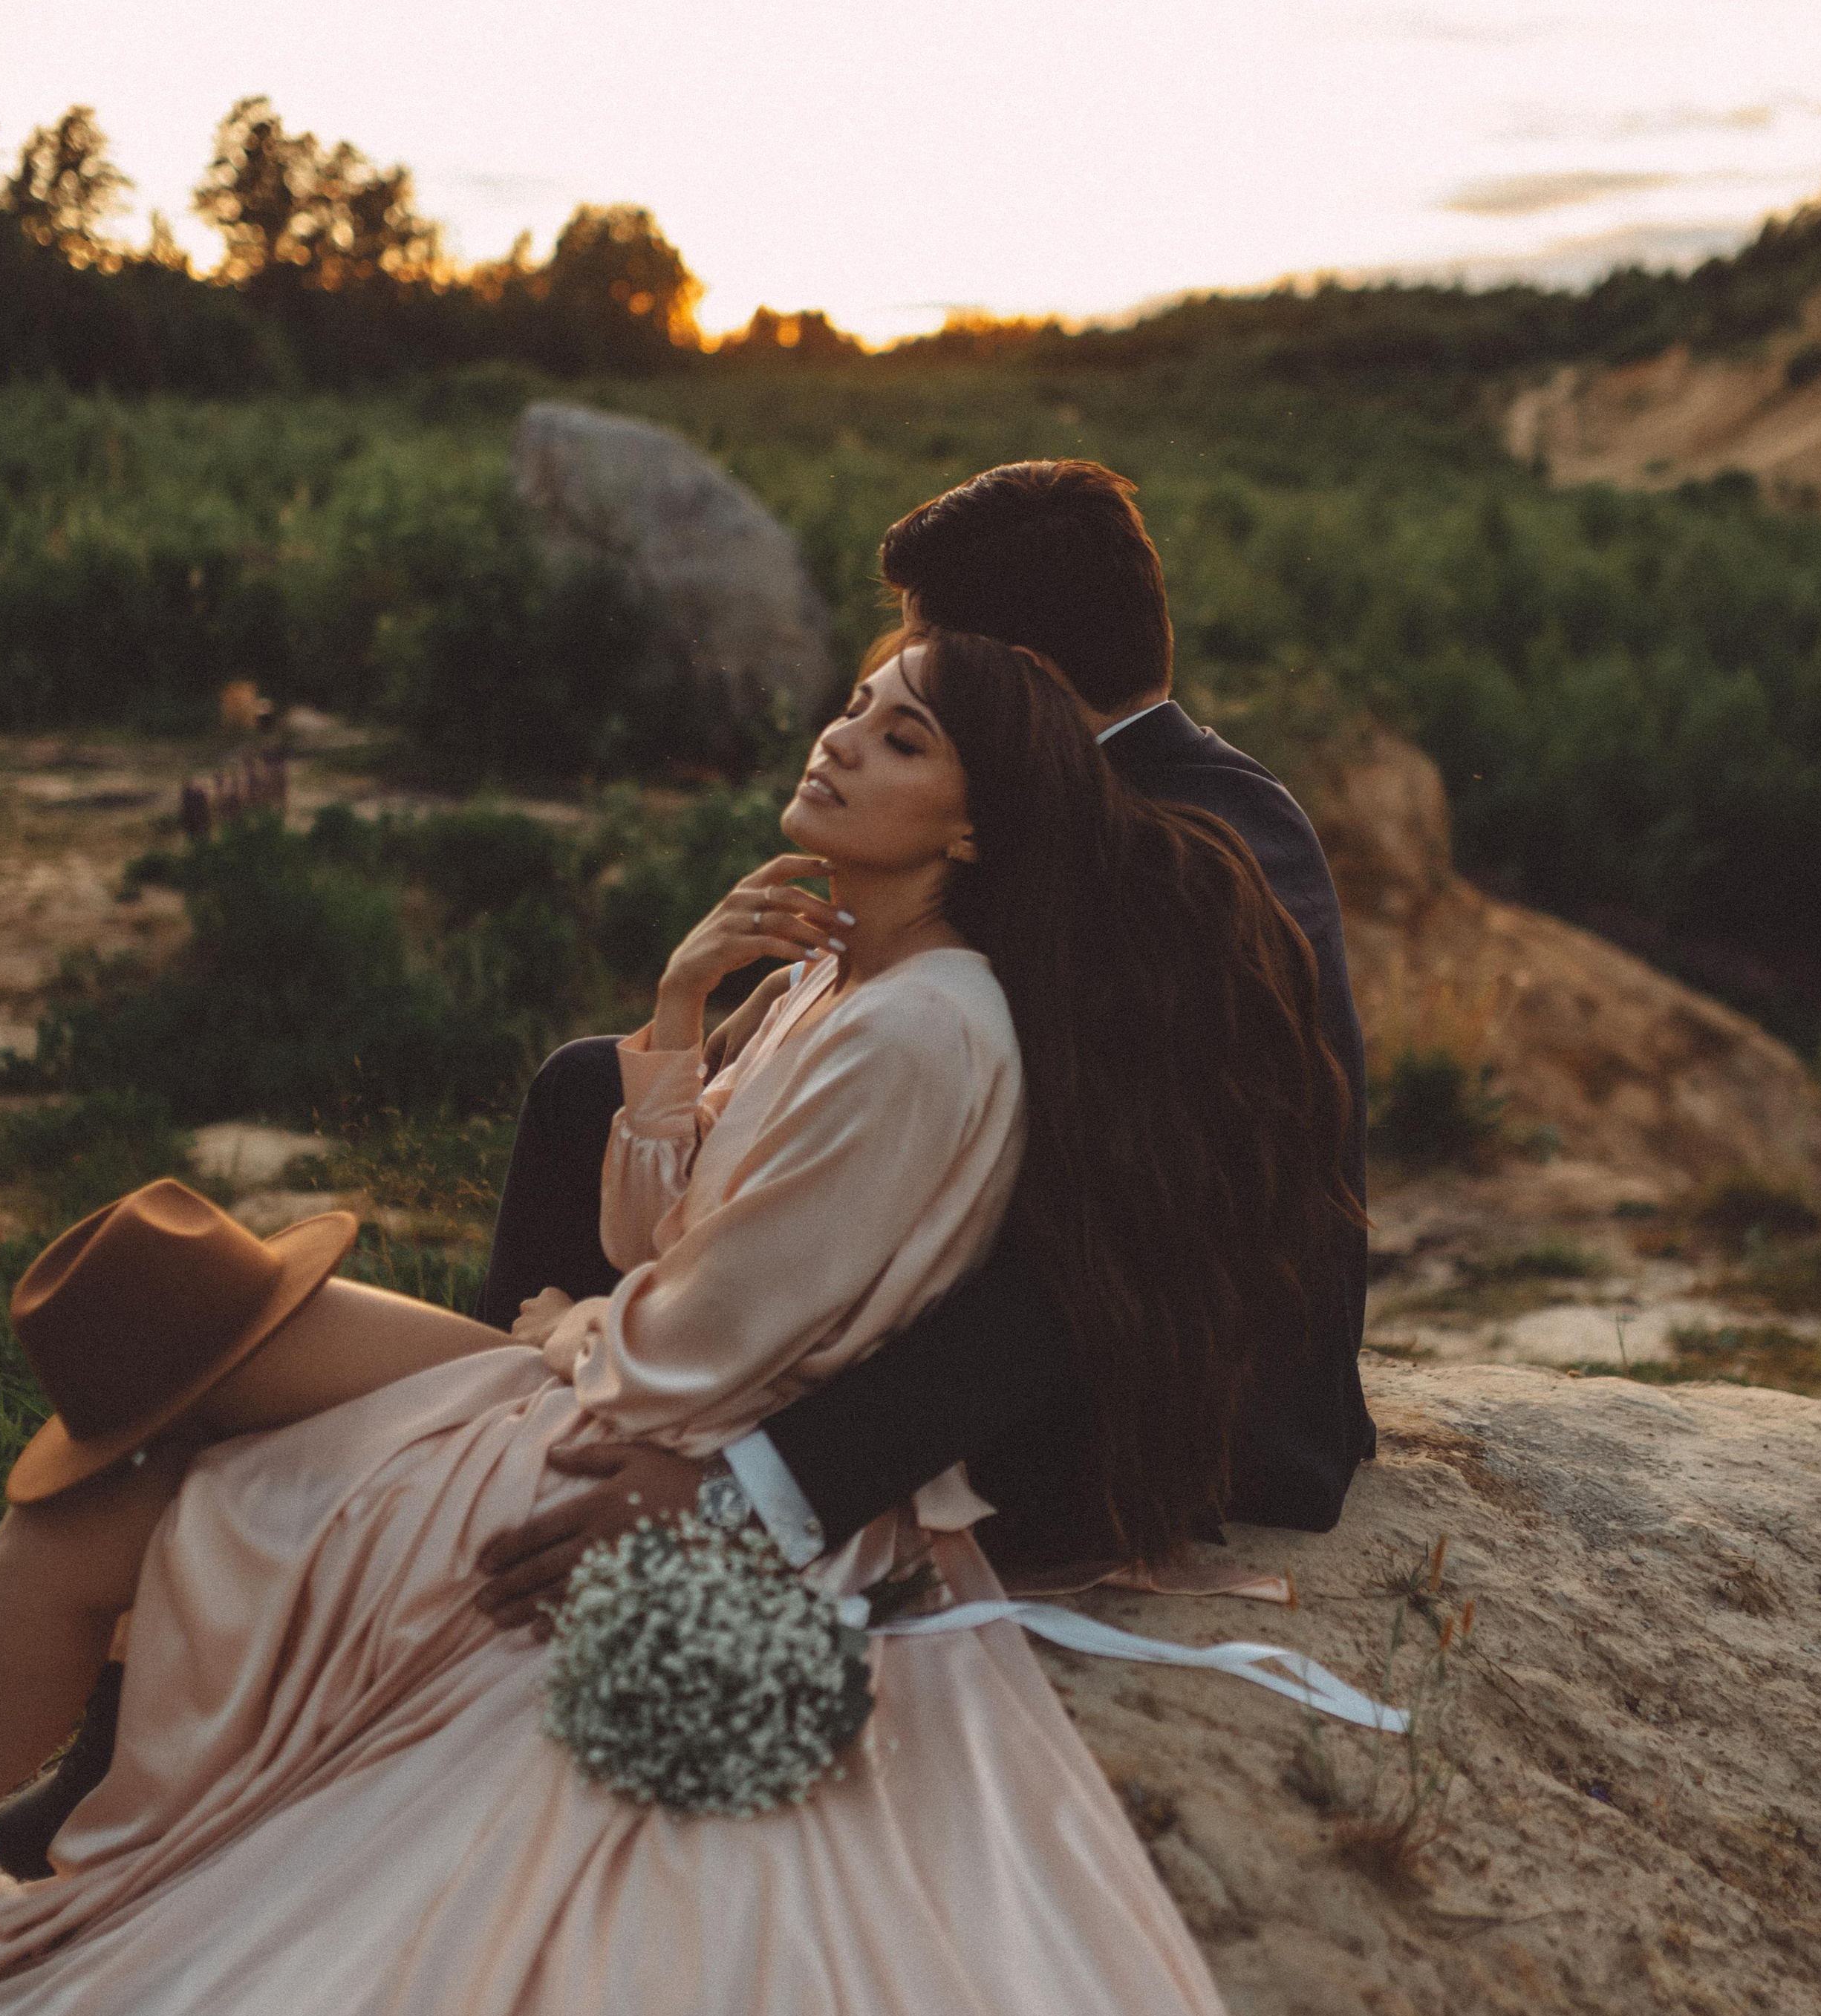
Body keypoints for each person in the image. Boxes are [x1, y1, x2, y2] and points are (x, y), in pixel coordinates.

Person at [0, 632, 1402, 2016]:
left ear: (970, 824)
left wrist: (532, 1347)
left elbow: (682, 1346)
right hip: (631, 1403)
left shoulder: (923, 1026)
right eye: (851, 708)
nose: (840, 742)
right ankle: (121, 1727)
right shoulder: (833, 982)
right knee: (139, 1472)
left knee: (113, 1514)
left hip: (649, 1451)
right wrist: (670, 1024)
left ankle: (112, 1759)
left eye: (898, 738)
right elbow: (661, 1249)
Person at [472, 458, 1374, 1640]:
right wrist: (758, 1012)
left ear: (1024, 686)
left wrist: (742, 1500)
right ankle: (533, 1431)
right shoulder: (1151, 789)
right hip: (1027, 1300)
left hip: (1156, 1418)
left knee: (616, 1130)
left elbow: (1076, 1261)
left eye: (926, 670)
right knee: (594, 1082)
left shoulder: (1179, 868)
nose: (888, 699)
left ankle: (556, 1470)